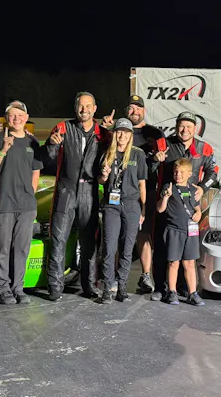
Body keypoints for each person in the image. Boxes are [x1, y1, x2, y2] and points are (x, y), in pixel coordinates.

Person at [42, 91, 111, 301]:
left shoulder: (103, 134)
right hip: (66, 191)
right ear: (75, 108)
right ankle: (55, 287)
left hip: (89, 191)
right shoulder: (63, 128)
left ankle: (89, 286)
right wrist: (52, 144)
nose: (84, 110)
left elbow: (110, 159)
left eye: (88, 106)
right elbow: (47, 158)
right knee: (58, 239)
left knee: (89, 242)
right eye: (81, 105)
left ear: (95, 109)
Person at [150, 111, 218, 301]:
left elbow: (214, 172)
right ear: (176, 127)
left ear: (195, 129)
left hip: (189, 210)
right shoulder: (163, 144)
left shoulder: (204, 148)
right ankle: (160, 288)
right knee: (162, 249)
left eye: (189, 126)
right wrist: (155, 160)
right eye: (181, 126)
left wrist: (203, 188)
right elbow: (147, 169)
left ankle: (183, 288)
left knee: (187, 254)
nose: (184, 130)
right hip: (167, 206)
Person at [101, 95, 164, 294]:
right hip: (115, 197)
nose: (135, 111)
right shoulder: (114, 131)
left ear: (144, 111)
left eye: (138, 108)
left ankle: (145, 276)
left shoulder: (154, 133)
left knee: (142, 237)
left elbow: (162, 159)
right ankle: (112, 280)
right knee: (113, 241)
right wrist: (105, 129)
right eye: (131, 108)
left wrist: (157, 160)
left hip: (142, 193)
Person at [0, 100, 43, 305]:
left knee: (21, 249)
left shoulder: (33, 143)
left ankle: (18, 288)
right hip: (4, 204)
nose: (16, 118)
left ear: (26, 118)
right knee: (3, 248)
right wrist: (3, 150)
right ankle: (3, 288)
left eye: (20, 115)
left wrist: (30, 197)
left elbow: (35, 172)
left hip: (26, 206)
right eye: (12, 115)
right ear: (6, 118)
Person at [97, 118, 148, 304]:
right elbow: (100, 180)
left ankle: (122, 286)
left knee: (127, 248)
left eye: (126, 132)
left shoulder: (138, 154)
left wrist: (143, 209)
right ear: (114, 133)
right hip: (111, 205)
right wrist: (104, 176)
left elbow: (142, 184)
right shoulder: (106, 153)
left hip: (132, 204)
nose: (122, 135)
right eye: (119, 131)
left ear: (130, 135)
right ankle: (107, 287)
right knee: (109, 248)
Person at [156, 158, 205, 306]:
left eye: (182, 172)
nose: (178, 175)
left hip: (191, 231)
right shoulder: (169, 187)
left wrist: (199, 213)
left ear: (190, 173)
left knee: (190, 262)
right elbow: (160, 209)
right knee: (173, 262)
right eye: (176, 172)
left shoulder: (193, 190)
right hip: (174, 230)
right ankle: (172, 291)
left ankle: (192, 293)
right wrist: (166, 197)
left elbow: (196, 207)